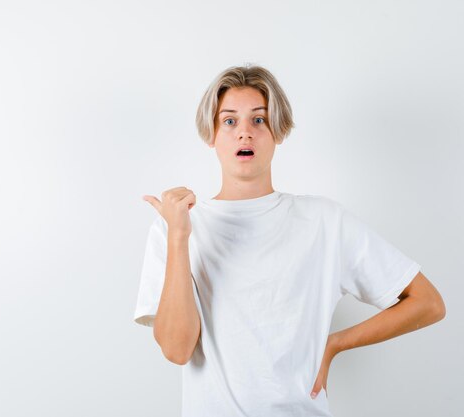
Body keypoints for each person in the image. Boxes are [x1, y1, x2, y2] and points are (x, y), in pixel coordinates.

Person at [134, 64, 446, 417]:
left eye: (259, 120)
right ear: (212, 134)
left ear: (278, 131)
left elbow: (427, 302)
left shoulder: (324, 222)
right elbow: (177, 349)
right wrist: (179, 237)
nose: (244, 134)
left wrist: (335, 344)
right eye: (230, 121)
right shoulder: (175, 226)